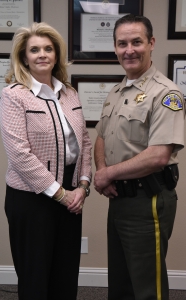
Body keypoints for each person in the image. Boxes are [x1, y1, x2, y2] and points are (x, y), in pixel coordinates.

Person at [94, 14, 185, 300]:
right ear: (115, 47)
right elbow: (101, 137)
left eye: (136, 42)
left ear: (151, 43)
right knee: (121, 282)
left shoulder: (166, 93)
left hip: (149, 201)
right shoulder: (117, 91)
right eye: (122, 43)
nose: (129, 50)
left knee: (147, 286)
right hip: (119, 198)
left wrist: (108, 174)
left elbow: (158, 156)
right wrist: (101, 169)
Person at [0, 22, 92, 300]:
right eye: (34, 49)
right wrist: (60, 194)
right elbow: (19, 154)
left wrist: (83, 186)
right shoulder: (14, 95)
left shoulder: (70, 93)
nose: (42, 54)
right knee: (35, 276)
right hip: (32, 198)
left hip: (72, 196)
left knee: (65, 273)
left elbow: (84, 142)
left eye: (48, 48)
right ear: (23, 57)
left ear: (56, 54)